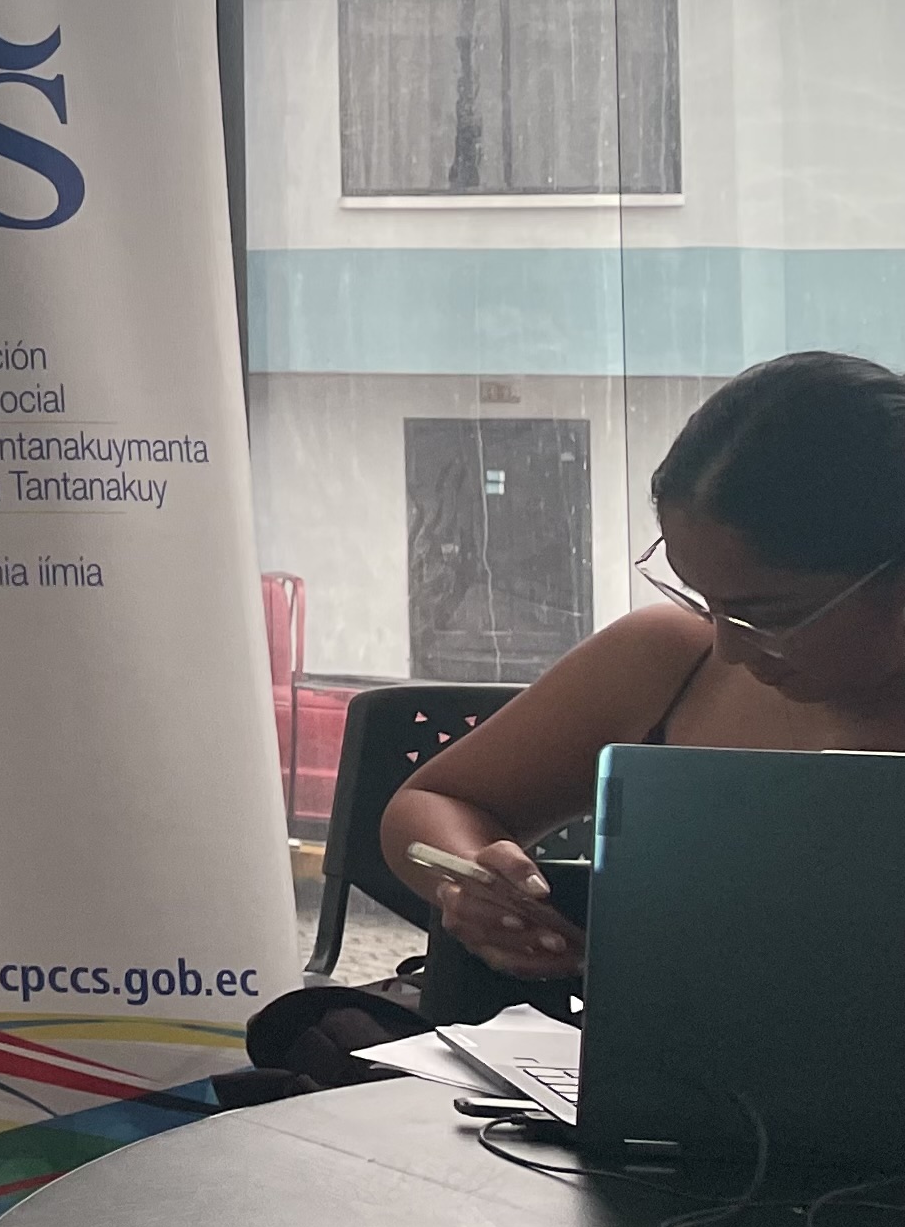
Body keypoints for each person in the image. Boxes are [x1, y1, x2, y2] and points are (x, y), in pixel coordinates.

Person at [383, 351, 905, 995]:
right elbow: (432, 803)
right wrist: (475, 884)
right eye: (702, 600)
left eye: (768, 615)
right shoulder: (670, 660)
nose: (730, 648)